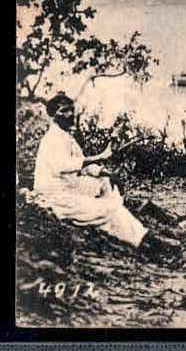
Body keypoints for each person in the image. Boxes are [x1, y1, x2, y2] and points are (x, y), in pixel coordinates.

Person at [31, 93, 178, 256]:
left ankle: (121, 217)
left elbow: (83, 165)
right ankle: (146, 241)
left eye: (71, 110)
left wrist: (106, 172)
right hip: (55, 196)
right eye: (64, 111)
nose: (70, 114)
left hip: (69, 188)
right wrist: (100, 157)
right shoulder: (52, 139)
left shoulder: (66, 137)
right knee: (109, 210)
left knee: (105, 182)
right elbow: (63, 166)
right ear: (52, 116)